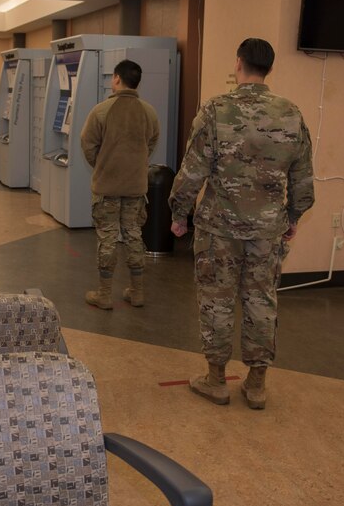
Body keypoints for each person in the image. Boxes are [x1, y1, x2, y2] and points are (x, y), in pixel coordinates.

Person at [169, 38, 314, 409]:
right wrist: (293, 217)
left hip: (219, 229)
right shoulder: (292, 114)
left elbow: (192, 170)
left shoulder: (217, 110)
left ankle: (216, 379)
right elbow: (302, 178)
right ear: (269, 68)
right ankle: (256, 384)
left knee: (217, 301)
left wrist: (178, 213)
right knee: (261, 301)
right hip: (268, 231)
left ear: (239, 63)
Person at [80, 59, 160, 310]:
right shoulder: (149, 111)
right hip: (136, 187)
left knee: (108, 238)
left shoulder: (101, 111)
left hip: (107, 188)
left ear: (116, 78)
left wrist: (103, 165)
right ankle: (137, 292)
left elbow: (87, 144)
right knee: (135, 235)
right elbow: (151, 143)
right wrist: (135, 165)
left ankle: (104, 294)